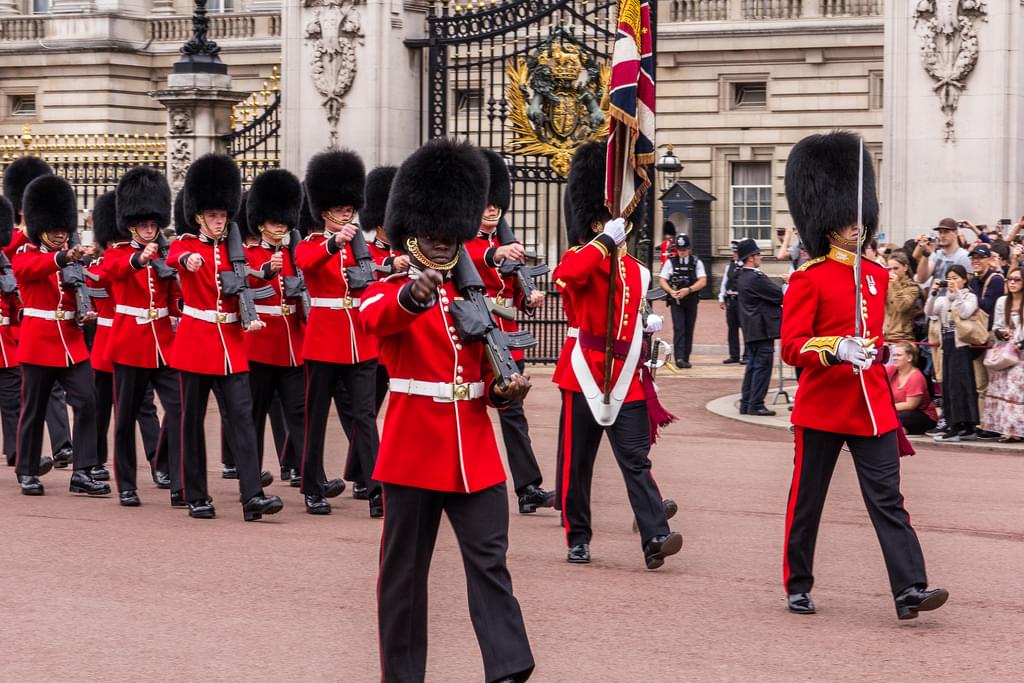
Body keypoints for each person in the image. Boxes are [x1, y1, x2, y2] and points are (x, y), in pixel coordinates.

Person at [362, 138, 535, 683]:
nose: (441, 244)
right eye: (432, 235)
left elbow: (485, 369)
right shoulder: (391, 288)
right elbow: (376, 319)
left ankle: (508, 667)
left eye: (448, 235)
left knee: (491, 561)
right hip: (414, 449)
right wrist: (413, 296)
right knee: (405, 576)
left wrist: (503, 387)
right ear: (411, 233)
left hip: (474, 450)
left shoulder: (474, 294)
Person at [781, 130, 946, 620]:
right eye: (847, 218)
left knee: (888, 500)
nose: (857, 224)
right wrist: (834, 349)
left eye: (860, 216)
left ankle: (909, 589)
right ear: (826, 222)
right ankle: (798, 582)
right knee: (808, 501)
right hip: (823, 404)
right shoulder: (807, 277)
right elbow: (792, 348)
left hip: (872, 406)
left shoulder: (875, 275)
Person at [553, 140, 682, 570]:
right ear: (593, 224)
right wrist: (602, 244)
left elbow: (631, 307)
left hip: (625, 373)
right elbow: (567, 275)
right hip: (584, 371)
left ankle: (655, 536)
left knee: (635, 459)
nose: (620, 228)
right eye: (609, 222)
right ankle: (578, 536)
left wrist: (646, 326)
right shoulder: (582, 256)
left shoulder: (638, 269)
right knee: (578, 463)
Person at [168, 153, 283, 521]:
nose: (219, 221)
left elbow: (245, 276)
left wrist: (266, 270)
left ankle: (253, 495)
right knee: (192, 422)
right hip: (196, 341)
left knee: (242, 419)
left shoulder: (234, 250)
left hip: (230, 343)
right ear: (199, 216)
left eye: (223, 215)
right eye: (213, 216)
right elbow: (175, 259)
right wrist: (189, 263)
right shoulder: (187, 244)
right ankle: (196, 494)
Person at [465, 149, 554, 514]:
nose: (492, 210)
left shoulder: (503, 241)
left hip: (506, 336)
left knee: (513, 410)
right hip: (473, 334)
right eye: (487, 203)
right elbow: (464, 259)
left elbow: (512, 290)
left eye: (496, 204)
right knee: (468, 409)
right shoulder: (466, 239)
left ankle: (528, 487)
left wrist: (529, 296)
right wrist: (495, 255)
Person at [11, 174, 109, 497]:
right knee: (34, 408)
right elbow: (29, 271)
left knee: (87, 401)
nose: (59, 234)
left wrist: (88, 305)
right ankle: (26, 470)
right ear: (41, 227)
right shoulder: (27, 253)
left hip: (71, 342)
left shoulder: (70, 255)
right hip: (39, 342)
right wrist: (62, 258)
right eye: (55, 229)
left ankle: (83, 470)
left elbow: (87, 287)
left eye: (63, 229)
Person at [297, 149, 381, 517]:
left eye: (350, 208)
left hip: (360, 340)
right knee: (316, 417)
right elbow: (308, 263)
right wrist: (335, 243)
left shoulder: (362, 246)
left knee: (364, 415)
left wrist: (394, 263)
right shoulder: (311, 243)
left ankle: (377, 487)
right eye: (341, 209)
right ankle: (312, 486)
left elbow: (378, 272)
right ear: (325, 211)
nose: (347, 214)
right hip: (324, 340)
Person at [105, 168, 182, 507]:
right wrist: (140, 259)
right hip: (130, 345)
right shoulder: (119, 252)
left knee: (179, 410)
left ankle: (175, 475)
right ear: (132, 226)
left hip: (163, 344)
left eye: (154, 225)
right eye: (145, 226)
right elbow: (116, 270)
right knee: (124, 420)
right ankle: (126, 484)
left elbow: (172, 301)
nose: (151, 231)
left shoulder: (164, 254)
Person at [2, 155, 74, 469]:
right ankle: (21, 452)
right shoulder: (15, 242)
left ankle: (60, 446)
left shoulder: (40, 240)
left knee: (45, 390)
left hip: (26, 327)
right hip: (20, 328)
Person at [242, 169, 307, 487]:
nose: (279, 225)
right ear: (260, 223)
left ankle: (310, 477)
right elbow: (239, 283)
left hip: (292, 342)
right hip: (261, 342)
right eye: (273, 221)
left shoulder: (297, 254)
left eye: (283, 220)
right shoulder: (248, 255)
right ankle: (251, 473)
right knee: (254, 414)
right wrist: (264, 272)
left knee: (300, 414)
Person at [925, 264, 980, 443]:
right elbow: (929, 312)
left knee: (962, 386)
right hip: (947, 345)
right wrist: (933, 293)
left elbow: (965, 311)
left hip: (962, 346)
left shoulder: (969, 296)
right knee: (949, 387)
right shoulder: (943, 299)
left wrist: (957, 293)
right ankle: (956, 425)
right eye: (949, 278)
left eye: (956, 278)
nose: (952, 281)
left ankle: (965, 426)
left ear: (964, 279)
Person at [736, 238, 782, 417]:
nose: (760, 257)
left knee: (753, 367)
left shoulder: (742, 276)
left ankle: (746, 402)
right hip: (762, 329)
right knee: (762, 368)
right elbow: (778, 295)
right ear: (750, 258)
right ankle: (756, 403)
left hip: (752, 330)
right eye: (758, 254)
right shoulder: (756, 277)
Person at [981, 268, 1024, 442]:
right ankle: (1008, 429)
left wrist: (1020, 344)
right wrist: (1001, 333)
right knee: (1003, 388)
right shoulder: (1002, 301)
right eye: (1010, 279)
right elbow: (996, 326)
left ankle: (1017, 429)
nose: (1012, 282)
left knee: (1016, 391)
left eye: (1017, 280)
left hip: (1021, 352)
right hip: (1005, 350)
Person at [659, 233, 706, 368]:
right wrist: (670, 291)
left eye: (684, 249)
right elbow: (662, 279)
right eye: (679, 250)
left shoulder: (696, 262)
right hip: (676, 301)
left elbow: (703, 281)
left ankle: (686, 357)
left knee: (689, 328)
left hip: (691, 300)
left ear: (689, 249)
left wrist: (689, 290)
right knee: (679, 328)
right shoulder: (671, 262)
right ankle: (679, 357)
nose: (682, 252)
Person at [886, 341, 938, 435]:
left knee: (903, 415)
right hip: (898, 410)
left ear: (909, 358)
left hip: (921, 415)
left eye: (899, 355)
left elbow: (911, 405)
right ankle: (901, 430)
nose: (894, 358)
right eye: (893, 355)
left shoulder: (916, 376)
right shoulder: (891, 370)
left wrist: (886, 407)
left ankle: (898, 429)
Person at [912, 217, 971, 287]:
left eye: (946, 232)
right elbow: (921, 279)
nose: (942, 235)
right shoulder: (937, 255)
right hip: (934, 297)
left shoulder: (964, 256)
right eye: (940, 232)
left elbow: (967, 284)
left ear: (956, 233)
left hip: (953, 296)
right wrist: (926, 255)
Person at [883, 251, 921, 342]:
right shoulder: (885, 285)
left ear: (905, 267)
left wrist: (896, 285)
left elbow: (902, 306)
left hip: (902, 338)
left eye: (896, 268)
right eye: (889, 269)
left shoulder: (912, 288)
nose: (892, 272)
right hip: (885, 336)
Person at [718, 239, 745, 364]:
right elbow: (725, 282)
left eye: (736, 252)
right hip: (731, 300)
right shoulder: (730, 266)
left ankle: (747, 355)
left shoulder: (745, 265)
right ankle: (734, 355)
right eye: (733, 252)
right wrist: (721, 297)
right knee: (732, 329)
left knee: (745, 328)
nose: (734, 254)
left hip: (742, 300)